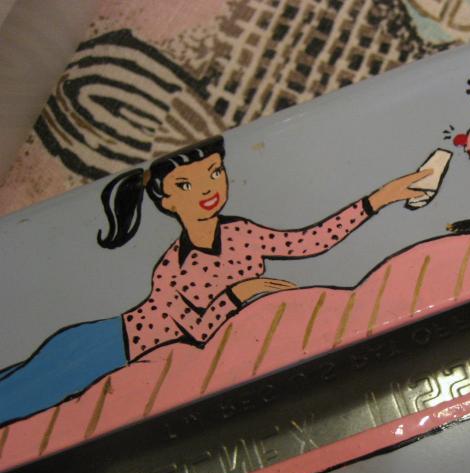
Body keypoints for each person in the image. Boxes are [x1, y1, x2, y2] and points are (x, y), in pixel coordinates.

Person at [0, 136, 430, 424]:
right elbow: (197, 333)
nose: (208, 189)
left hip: (113, 352)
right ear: (167, 201)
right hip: (106, 346)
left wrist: (380, 198)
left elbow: (310, 242)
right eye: (185, 185)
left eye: (215, 172)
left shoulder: (242, 233)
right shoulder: (172, 267)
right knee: (16, 396)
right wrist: (238, 294)